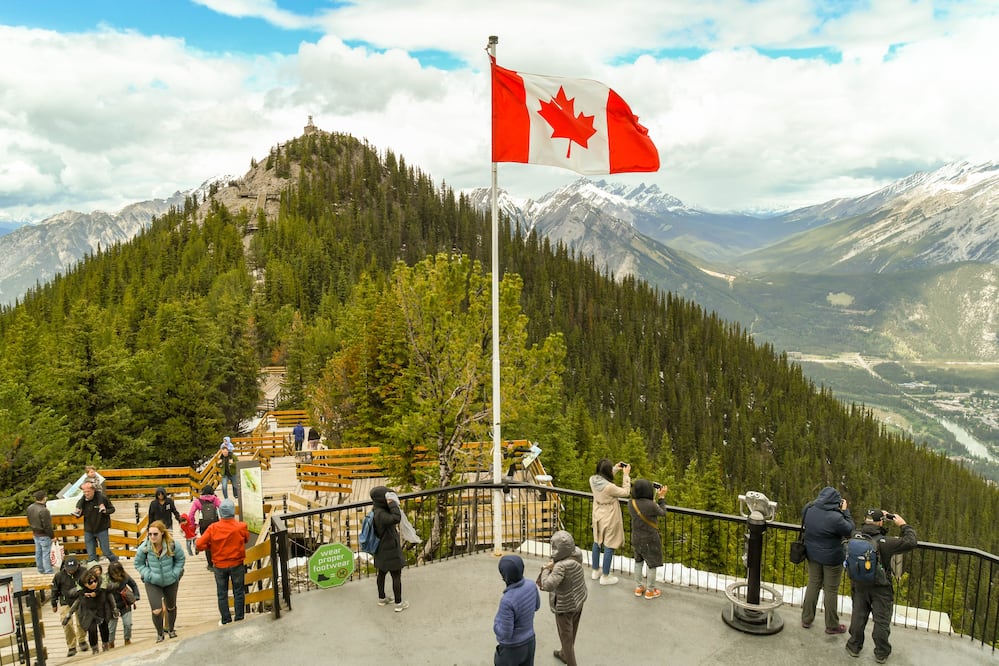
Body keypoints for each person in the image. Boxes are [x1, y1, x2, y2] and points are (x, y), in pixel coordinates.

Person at [846, 510, 918, 664]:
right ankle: (881, 652)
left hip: (859, 583)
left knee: (858, 616)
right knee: (881, 621)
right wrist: (903, 525)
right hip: (880, 587)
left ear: (866, 520)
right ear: (880, 522)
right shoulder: (885, 542)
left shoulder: (854, 535)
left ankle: (854, 646)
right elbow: (911, 542)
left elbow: (849, 526)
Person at [800, 486, 854, 633]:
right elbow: (849, 530)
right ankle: (831, 625)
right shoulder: (836, 518)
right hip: (832, 558)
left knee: (813, 584)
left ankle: (806, 619)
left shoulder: (809, 508)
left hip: (812, 554)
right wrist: (845, 511)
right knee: (830, 590)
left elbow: (804, 520)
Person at [537, 531, 587, 666]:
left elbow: (547, 585)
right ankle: (565, 653)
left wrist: (546, 569)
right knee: (573, 631)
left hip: (565, 606)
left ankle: (569, 660)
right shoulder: (577, 554)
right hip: (579, 598)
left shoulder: (560, 566)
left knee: (565, 636)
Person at [197, 498, 250, 624]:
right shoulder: (241, 526)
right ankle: (239, 618)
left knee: (222, 593)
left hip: (220, 565)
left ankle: (226, 619)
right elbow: (246, 539)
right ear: (233, 512)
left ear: (220, 513)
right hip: (237, 563)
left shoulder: (212, 528)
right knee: (238, 591)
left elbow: (199, 544)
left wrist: (210, 546)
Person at [135, 519, 186, 642]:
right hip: (153, 581)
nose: (152, 537)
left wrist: (175, 573)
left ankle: (171, 629)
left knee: (171, 607)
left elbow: (181, 559)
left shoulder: (172, 544)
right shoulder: (145, 547)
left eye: (155, 534)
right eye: (150, 534)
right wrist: (148, 574)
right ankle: (159, 633)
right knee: (157, 610)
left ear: (162, 533)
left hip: (170, 580)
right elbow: (138, 563)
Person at [589, 458, 630, 585]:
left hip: (597, 513)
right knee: (609, 545)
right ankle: (605, 576)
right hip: (610, 515)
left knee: (597, 541)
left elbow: (603, 477)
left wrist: (616, 469)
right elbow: (626, 492)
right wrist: (626, 475)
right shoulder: (609, 487)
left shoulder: (592, 480)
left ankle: (595, 571)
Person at [494, 554, 541, 666]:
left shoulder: (507, 601)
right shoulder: (531, 585)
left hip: (512, 649)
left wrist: (495, 625)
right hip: (530, 642)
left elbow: (506, 633)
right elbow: (537, 606)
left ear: (504, 576)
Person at [370, 486, 409, 612]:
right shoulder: (381, 514)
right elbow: (396, 518)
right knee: (396, 575)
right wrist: (392, 504)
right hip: (389, 548)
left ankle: (382, 598)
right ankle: (399, 603)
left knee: (381, 573)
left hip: (380, 548)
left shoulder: (376, 510)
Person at [628, 479, 669, 599]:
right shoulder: (651, 505)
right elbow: (662, 512)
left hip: (636, 537)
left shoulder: (631, 503)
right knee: (652, 564)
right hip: (650, 538)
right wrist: (661, 498)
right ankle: (650, 590)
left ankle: (638, 587)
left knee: (638, 561)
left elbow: (644, 509)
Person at [66, 564, 116, 655]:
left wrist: (100, 591)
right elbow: (73, 597)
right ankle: (94, 648)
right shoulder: (81, 590)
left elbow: (113, 588)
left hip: (102, 610)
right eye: (90, 582)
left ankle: (105, 644)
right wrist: (83, 593)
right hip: (89, 612)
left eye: (94, 581)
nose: (93, 584)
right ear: (85, 584)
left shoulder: (102, 585)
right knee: (92, 630)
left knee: (104, 628)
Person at [73, 480, 118, 562]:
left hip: (101, 528)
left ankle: (115, 562)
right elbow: (81, 512)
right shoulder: (83, 501)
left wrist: (105, 511)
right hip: (89, 529)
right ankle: (93, 566)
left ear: (93, 490)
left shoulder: (102, 498)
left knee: (106, 551)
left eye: (88, 491)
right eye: (85, 492)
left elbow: (112, 509)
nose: (86, 494)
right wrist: (77, 515)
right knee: (91, 553)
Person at [51, 556, 87, 657]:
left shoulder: (84, 572)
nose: (71, 571)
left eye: (73, 569)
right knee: (67, 623)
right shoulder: (59, 576)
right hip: (65, 601)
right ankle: (71, 646)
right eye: (69, 569)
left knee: (81, 621)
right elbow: (54, 590)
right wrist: (54, 603)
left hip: (80, 599)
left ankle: (82, 640)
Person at [106, 560, 140, 647]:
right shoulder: (105, 579)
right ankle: (110, 643)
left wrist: (136, 595)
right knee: (111, 628)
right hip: (111, 606)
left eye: (119, 572)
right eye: (115, 573)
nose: (117, 575)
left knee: (128, 624)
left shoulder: (125, 576)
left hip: (125, 603)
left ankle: (127, 639)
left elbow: (133, 584)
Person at [188, 484, 222, 569]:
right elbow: (222, 508)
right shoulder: (215, 499)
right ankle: (216, 562)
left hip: (204, 525)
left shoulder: (198, 501)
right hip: (215, 524)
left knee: (207, 544)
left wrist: (193, 525)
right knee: (215, 543)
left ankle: (210, 565)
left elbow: (191, 515)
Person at [27, 489, 55, 574]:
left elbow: (29, 520)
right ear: (44, 498)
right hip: (44, 535)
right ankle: (48, 571)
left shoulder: (30, 507)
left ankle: (40, 570)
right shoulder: (44, 510)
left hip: (35, 534)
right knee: (46, 553)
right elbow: (47, 526)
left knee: (38, 553)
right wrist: (52, 536)